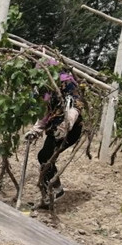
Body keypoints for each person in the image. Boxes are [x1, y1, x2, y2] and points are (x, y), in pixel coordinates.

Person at [24, 71, 84, 201]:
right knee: (44, 157)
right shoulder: (46, 91)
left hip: (71, 129)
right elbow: (45, 113)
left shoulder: (67, 84)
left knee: (46, 157)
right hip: (54, 129)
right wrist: (35, 130)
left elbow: (75, 108)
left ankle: (56, 190)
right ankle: (48, 194)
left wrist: (65, 125)